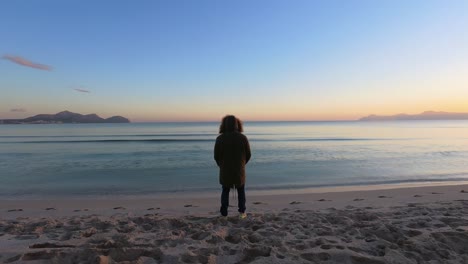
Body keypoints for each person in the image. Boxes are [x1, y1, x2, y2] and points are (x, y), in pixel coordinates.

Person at [214, 115, 251, 218]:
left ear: (224, 125)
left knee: (225, 191)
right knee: (241, 191)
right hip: (239, 170)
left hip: (225, 170)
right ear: (237, 124)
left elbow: (216, 156)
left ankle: (224, 214)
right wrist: (242, 164)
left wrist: (221, 165)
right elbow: (248, 155)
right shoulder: (243, 138)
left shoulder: (220, 138)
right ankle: (242, 213)